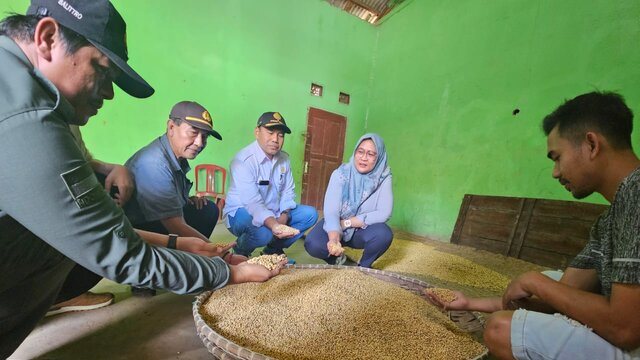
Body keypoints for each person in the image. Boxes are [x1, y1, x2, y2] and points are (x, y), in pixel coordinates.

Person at [0, 1, 282, 357]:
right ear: (47, 38)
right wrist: (227, 274)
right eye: (101, 71)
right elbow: (115, 251)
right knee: (57, 244)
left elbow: (87, 224)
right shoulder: (28, 117)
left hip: (113, 232)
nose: (108, 93)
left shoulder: (26, 90)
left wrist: (178, 244)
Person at [427, 91, 640, 360]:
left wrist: (533, 282)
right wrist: (471, 303)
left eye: (557, 157)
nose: (555, 172)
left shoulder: (636, 196)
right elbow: (567, 291)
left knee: (501, 329)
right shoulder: (610, 218)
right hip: (623, 324)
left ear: (591, 145)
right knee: (553, 280)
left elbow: (625, 330)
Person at [124, 101, 245, 267]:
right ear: (171, 127)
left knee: (206, 209)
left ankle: (186, 262)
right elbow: (175, 226)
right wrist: (223, 256)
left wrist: (185, 199)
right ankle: (149, 272)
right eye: (193, 133)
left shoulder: (174, 156)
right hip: (134, 235)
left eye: (205, 137)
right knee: (189, 224)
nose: (199, 143)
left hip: (154, 221)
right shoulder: (154, 164)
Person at [223, 112, 318, 259]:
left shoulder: (284, 159)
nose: (275, 139)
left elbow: (288, 191)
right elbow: (253, 203)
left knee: (310, 215)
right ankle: (240, 250)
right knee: (263, 233)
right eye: (270, 132)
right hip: (240, 212)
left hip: (272, 211)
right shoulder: (243, 160)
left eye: (280, 135)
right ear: (257, 132)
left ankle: (272, 250)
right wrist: (275, 225)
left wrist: (284, 215)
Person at [305, 133, 393, 268]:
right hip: (336, 223)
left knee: (383, 234)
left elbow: (384, 213)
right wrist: (334, 239)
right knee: (313, 244)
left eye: (371, 154)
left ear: (379, 157)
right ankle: (336, 259)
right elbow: (331, 211)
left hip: (360, 230)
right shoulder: (341, 173)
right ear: (355, 152)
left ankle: (364, 267)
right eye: (361, 151)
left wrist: (346, 223)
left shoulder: (383, 177)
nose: (364, 158)